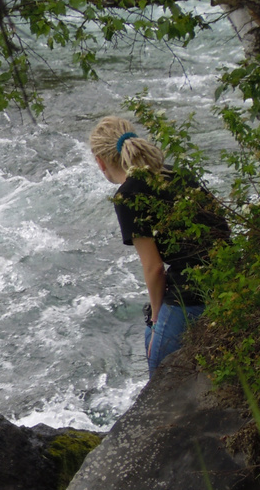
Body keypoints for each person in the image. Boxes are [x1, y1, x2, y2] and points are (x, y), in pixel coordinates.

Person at [90, 116, 229, 377]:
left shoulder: (128, 195)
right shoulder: (176, 173)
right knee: (151, 331)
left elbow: (154, 269)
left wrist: (156, 320)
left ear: (100, 162)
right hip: (228, 276)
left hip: (192, 292)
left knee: (160, 368)